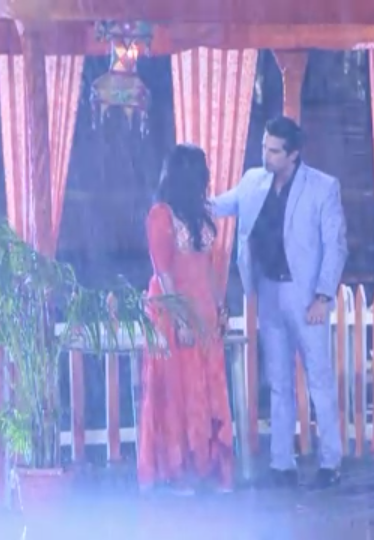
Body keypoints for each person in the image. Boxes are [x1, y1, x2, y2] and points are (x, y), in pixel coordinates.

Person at [212, 116, 348, 489]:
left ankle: (330, 461)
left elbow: (335, 246)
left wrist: (323, 296)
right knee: (278, 380)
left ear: (293, 154)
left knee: (319, 380)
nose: (266, 156)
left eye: (274, 151)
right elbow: (221, 205)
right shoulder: (252, 181)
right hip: (269, 290)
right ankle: (281, 462)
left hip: (306, 296)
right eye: (264, 148)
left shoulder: (322, 187)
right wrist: (184, 201)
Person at [138, 144, 234, 494]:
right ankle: (178, 471)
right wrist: (179, 320)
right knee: (178, 389)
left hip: (203, 309)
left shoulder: (200, 215)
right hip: (173, 309)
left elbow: (208, 267)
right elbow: (163, 272)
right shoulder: (160, 215)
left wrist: (220, 307)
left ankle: (209, 467)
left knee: (208, 388)